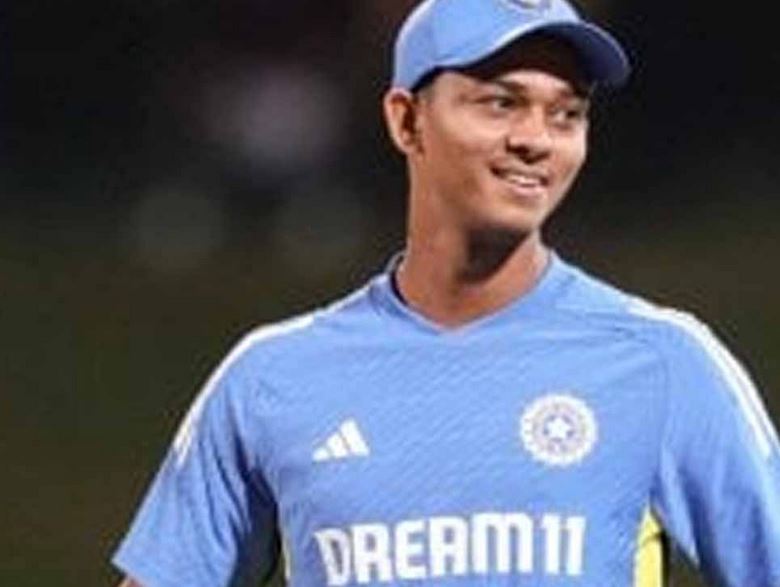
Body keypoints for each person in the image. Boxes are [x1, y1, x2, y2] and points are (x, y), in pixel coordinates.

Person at [112, 0, 780, 585]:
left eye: (566, 113)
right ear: (407, 120)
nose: (535, 139)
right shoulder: (271, 379)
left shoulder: (663, 363)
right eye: (501, 103)